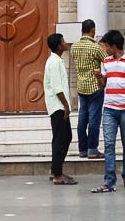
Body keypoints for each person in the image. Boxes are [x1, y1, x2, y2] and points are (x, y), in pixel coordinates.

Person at [91, 29, 125, 194]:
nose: (105, 50)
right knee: (109, 145)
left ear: (114, 46)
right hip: (109, 108)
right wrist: (99, 77)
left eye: (106, 46)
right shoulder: (106, 62)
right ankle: (109, 181)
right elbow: (103, 86)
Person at [43, 32, 77, 185]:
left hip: (60, 105)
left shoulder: (56, 60)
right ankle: (57, 174)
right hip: (58, 106)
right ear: (58, 46)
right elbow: (57, 87)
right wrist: (65, 105)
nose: (65, 43)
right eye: (63, 41)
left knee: (66, 137)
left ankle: (55, 169)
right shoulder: (54, 62)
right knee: (60, 139)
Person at [70, 18, 105, 159]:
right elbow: (106, 59)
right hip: (95, 86)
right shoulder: (96, 47)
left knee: (82, 119)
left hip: (81, 86)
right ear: (93, 30)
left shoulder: (74, 47)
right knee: (94, 119)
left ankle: (82, 149)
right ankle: (92, 149)